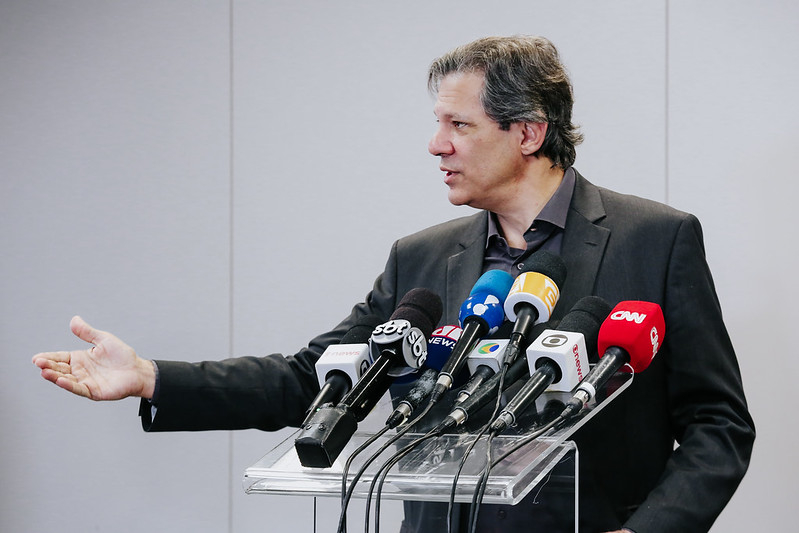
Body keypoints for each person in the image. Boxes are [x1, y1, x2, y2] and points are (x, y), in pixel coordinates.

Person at [32, 35, 754, 533]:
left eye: (457, 124)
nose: (435, 145)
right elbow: (312, 379)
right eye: (437, 123)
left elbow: (718, 424)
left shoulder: (655, 239)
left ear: (528, 133)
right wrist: (152, 377)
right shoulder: (421, 259)